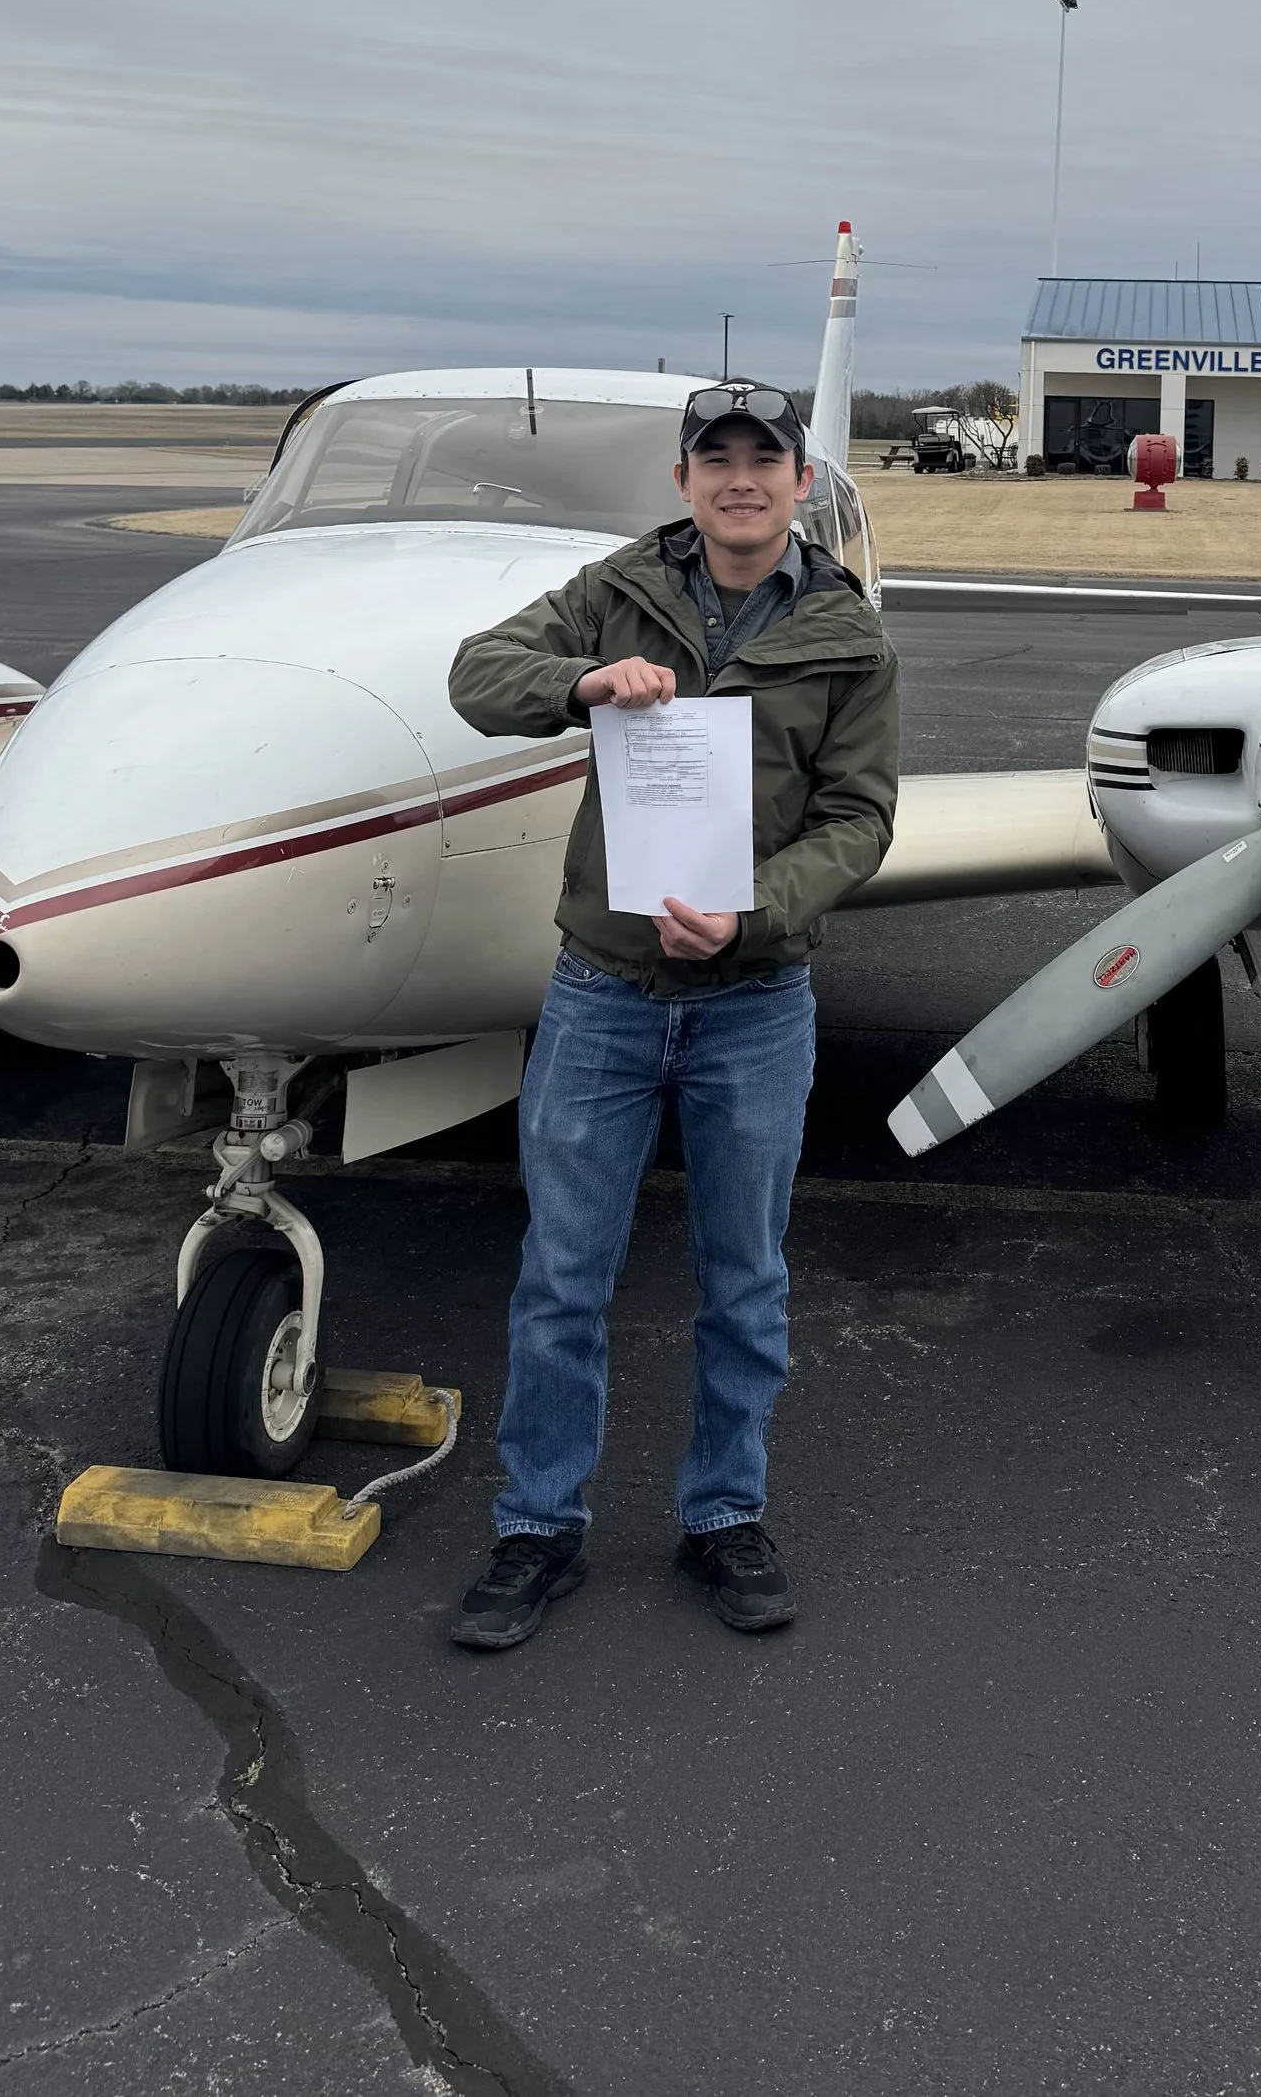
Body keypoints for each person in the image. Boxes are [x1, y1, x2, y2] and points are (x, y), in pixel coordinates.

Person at [441, 382, 900, 1651]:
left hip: (756, 1001)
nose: (741, 478)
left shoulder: (848, 637)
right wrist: (586, 680)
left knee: (744, 1282)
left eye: (766, 458)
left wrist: (754, 913)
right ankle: (536, 1528)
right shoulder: (617, 588)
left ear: (801, 483)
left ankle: (723, 1515)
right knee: (560, 1281)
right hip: (604, 993)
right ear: (684, 479)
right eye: (717, 458)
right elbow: (477, 676)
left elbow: (859, 820)